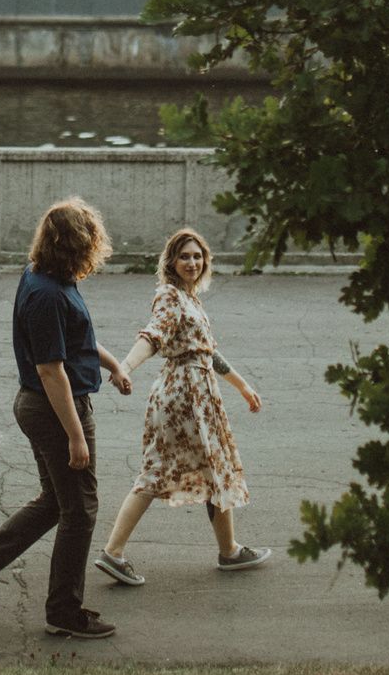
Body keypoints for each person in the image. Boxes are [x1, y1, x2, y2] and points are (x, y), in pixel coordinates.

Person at [0, 198, 134, 639]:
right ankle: (63, 611)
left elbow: (77, 341)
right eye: (90, 242)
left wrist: (114, 366)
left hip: (45, 407)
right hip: (53, 411)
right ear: (76, 245)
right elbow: (51, 371)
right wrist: (76, 436)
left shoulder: (48, 278)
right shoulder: (46, 293)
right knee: (81, 510)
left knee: (57, 502)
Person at [92, 227, 270, 585]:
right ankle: (112, 553)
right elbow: (152, 336)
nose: (192, 262)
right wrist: (124, 367)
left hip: (198, 392)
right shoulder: (170, 297)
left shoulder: (190, 300)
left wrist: (242, 386)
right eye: (184, 256)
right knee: (159, 470)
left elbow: (208, 352)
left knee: (214, 468)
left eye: (197, 256)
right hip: (183, 395)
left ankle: (229, 551)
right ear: (171, 262)